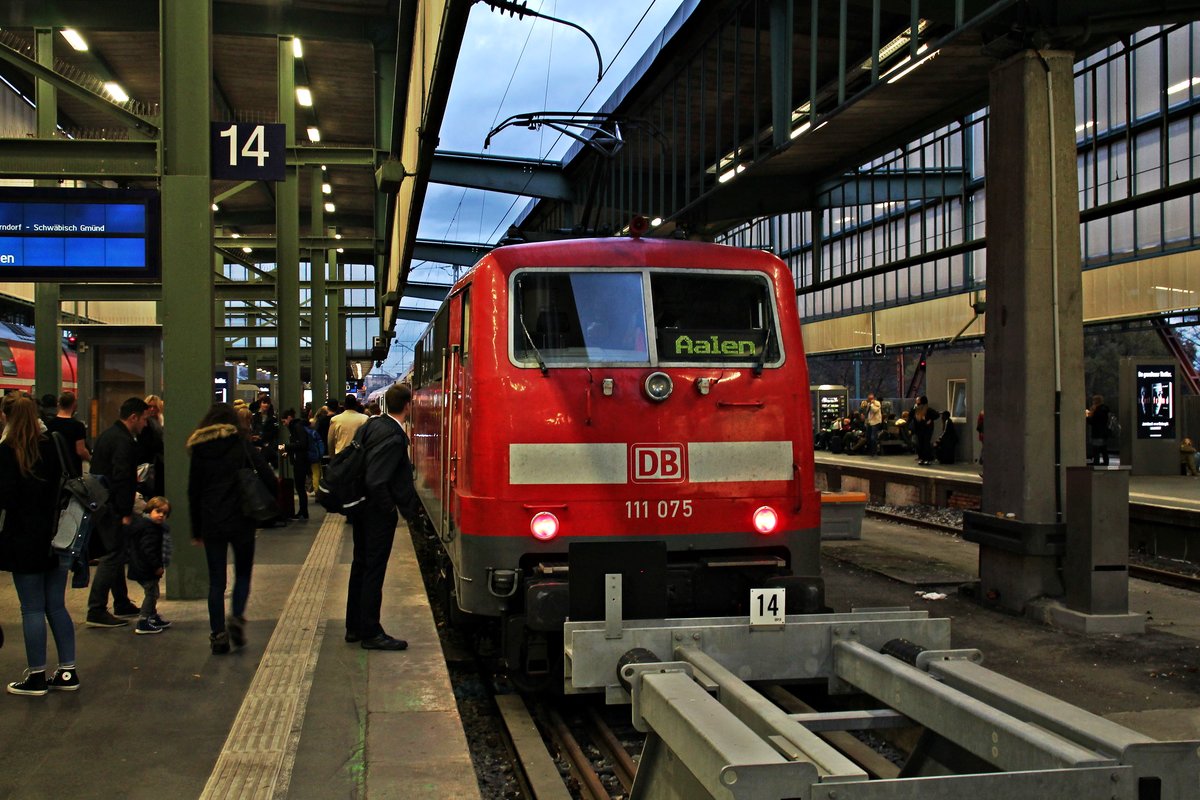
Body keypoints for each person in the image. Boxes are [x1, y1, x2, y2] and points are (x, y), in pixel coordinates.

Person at [0, 395, 79, 695]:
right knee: (56, 606)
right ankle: (68, 672)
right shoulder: (54, 445)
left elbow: (4, 498)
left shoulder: (6, 452)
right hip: (58, 535)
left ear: (6, 417)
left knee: (31, 609)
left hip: (23, 539)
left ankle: (36, 677)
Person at [187, 403, 276, 654]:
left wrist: (196, 529)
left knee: (216, 582)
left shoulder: (199, 448)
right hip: (242, 519)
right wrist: (267, 503)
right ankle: (236, 616)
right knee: (243, 574)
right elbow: (267, 475)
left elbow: (193, 491)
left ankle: (217, 634)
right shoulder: (241, 444)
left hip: (211, 521)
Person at [346, 384, 423, 651]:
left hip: (361, 508)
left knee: (361, 564)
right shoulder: (393, 436)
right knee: (373, 570)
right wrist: (391, 508)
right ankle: (371, 631)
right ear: (407, 405)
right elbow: (377, 480)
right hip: (376, 513)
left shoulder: (372, 425)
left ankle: (353, 627)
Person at [86, 397, 150, 628]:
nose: (145, 424)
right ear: (133, 417)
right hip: (114, 506)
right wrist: (125, 511)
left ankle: (121, 602)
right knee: (113, 555)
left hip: (102, 503)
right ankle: (96, 608)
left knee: (116, 552)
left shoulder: (108, 435)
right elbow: (123, 478)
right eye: (144, 419)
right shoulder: (123, 442)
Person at [126, 496, 173, 635]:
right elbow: (149, 550)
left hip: (142, 567)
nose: (161, 515)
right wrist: (157, 566)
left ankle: (152, 617)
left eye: (164, 513)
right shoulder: (150, 528)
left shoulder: (147, 525)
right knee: (152, 593)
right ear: (150, 510)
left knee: (153, 592)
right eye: (158, 511)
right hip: (146, 568)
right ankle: (143, 620)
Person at [45, 392, 90, 476]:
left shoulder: (49, 424)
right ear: (74, 405)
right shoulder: (77, 426)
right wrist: (90, 459)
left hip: (53, 467)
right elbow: (80, 451)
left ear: (59, 404)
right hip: (72, 469)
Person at [281, 408, 310, 520]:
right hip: (300, 460)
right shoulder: (297, 426)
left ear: (289, 418)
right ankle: (303, 511)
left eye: (284, 421)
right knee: (300, 487)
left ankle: (303, 511)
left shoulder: (296, 427)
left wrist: (286, 447)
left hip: (300, 461)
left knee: (300, 487)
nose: (284, 424)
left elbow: (302, 444)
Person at [137, 394, 166, 497]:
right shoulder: (146, 425)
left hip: (158, 465)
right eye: (150, 406)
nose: (152, 409)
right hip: (148, 464)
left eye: (155, 407)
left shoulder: (162, 423)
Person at [1086, 395, 1110, 467]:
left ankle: (1096, 463)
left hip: (1097, 432)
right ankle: (1106, 462)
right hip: (1104, 432)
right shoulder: (1106, 408)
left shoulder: (1098, 410)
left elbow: (1093, 421)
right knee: (1103, 448)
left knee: (1096, 449)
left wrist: (1088, 416)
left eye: (1094, 401)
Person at [912, 396, 937, 466]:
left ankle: (924, 459)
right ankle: (926, 459)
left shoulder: (918, 410)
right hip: (926, 429)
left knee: (923, 444)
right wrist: (930, 420)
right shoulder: (928, 409)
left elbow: (914, 419)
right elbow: (936, 415)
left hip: (922, 429)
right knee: (925, 444)